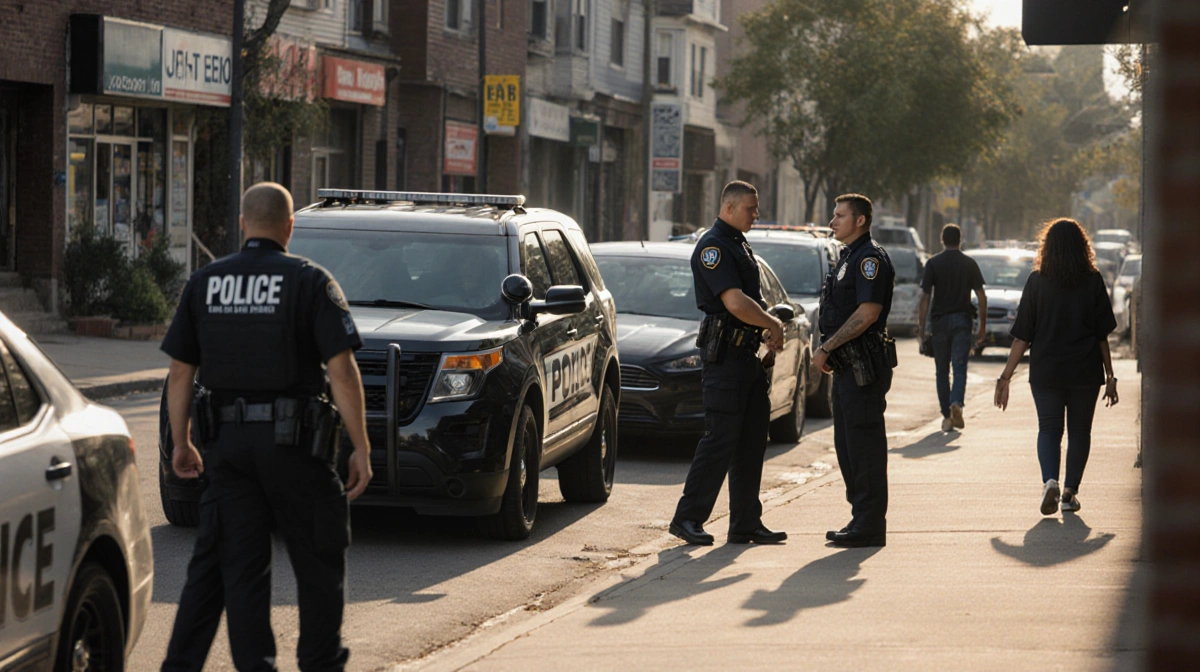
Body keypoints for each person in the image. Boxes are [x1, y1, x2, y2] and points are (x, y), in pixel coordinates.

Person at [160, 182, 373, 672]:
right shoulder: (310, 280)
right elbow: (341, 370)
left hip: (228, 451)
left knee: (242, 569)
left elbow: (179, 373)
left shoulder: (205, 282)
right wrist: (360, 446)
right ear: (289, 226)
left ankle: (255, 666)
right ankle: (320, 664)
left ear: (243, 224)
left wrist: (182, 442)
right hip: (297, 449)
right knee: (319, 562)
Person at [669, 180, 787, 546]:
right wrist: (772, 322)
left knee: (752, 441)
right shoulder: (714, 246)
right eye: (751, 208)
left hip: (746, 357)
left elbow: (747, 303)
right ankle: (688, 518)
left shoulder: (737, 243)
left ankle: (746, 523)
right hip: (725, 360)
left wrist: (763, 330)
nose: (756, 214)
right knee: (720, 439)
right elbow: (734, 302)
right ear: (729, 207)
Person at [994, 218, 1117, 516]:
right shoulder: (1093, 281)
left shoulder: (1037, 281)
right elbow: (1102, 335)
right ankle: (1069, 493)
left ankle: (1050, 480)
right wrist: (1110, 375)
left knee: (1049, 429)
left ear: (1046, 248)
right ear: (1082, 247)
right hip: (1085, 371)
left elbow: (1023, 335)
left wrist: (1005, 377)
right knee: (1079, 432)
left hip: (1047, 370)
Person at [812, 193, 896, 548]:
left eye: (840, 215)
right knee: (847, 445)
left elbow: (868, 313)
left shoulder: (869, 259)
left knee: (864, 446)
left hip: (863, 364)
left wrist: (827, 347)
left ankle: (870, 524)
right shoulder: (850, 256)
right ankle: (860, 517)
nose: (833, 222)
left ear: (860, 220)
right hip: (847, 365)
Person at [917, 223, 987, 432]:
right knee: (959, 367)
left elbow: (925, 297)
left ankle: (947, 417)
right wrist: (982, 327)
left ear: (942, 240)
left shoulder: (933, 263)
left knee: (941, 371)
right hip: (963, 320)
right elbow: (982, 296)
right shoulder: (969, 264)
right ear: (960, 240)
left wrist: (921, 328)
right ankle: (956, 402)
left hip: (940, 322)